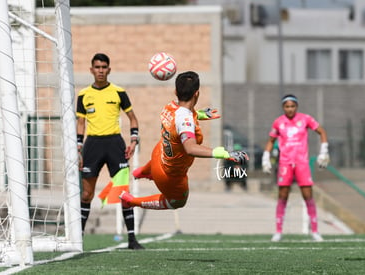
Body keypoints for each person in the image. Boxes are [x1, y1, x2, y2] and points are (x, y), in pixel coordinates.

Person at [120, 71, 248, 210]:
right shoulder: (185, 119)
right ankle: (131, 201)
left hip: (157, 157)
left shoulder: (170, 106)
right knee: (178, 202)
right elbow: (190, 148)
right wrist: (224, 154)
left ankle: (142, 172)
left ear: (176, 91)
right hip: (169, 176)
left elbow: (182, 116)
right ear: (197, 93)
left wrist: (200, 114)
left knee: (170, 141)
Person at [76, 53, 144, 249]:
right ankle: (79, 239)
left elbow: (133, 118)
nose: (100, 70)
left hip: (115, 144)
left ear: (109, 70)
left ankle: (132, 239)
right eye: (97, 67)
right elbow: (81, 123)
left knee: (124, 192)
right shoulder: (84, 95)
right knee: (87, 194)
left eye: (104, 67)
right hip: (92, 145)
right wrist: (78, 148)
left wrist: (133, 141)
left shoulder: (118, 92)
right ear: (91, 70)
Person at [262, 94, 329, 242]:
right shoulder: (278, 122)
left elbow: (321, 132)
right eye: (287, 106)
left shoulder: (305, 119)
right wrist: (266, 158)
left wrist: (324, 150)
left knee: (308, 195)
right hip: (285, 163)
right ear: (283, 107)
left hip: (301, 162)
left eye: (292, 106)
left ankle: (315, 231)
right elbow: (271, 140)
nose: (290, 109)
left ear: (296, 107)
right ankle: (278, 231)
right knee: (283, 196)